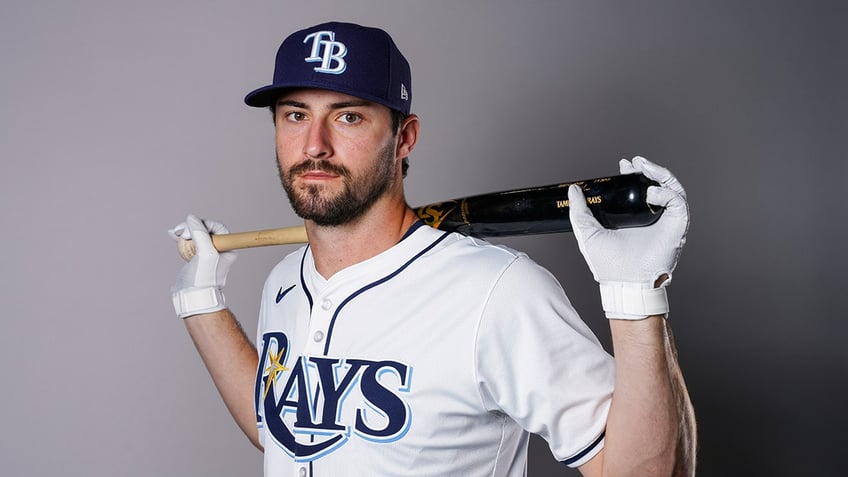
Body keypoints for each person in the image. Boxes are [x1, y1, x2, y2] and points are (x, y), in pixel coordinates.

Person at [169, 21, 696, 477]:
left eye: (348, 116)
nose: (315, 145)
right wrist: (202, 306)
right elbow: (283, 432)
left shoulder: (497, 292)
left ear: (404, 138)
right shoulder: (285, 281)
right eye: (295, 114)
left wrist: (636, 299)